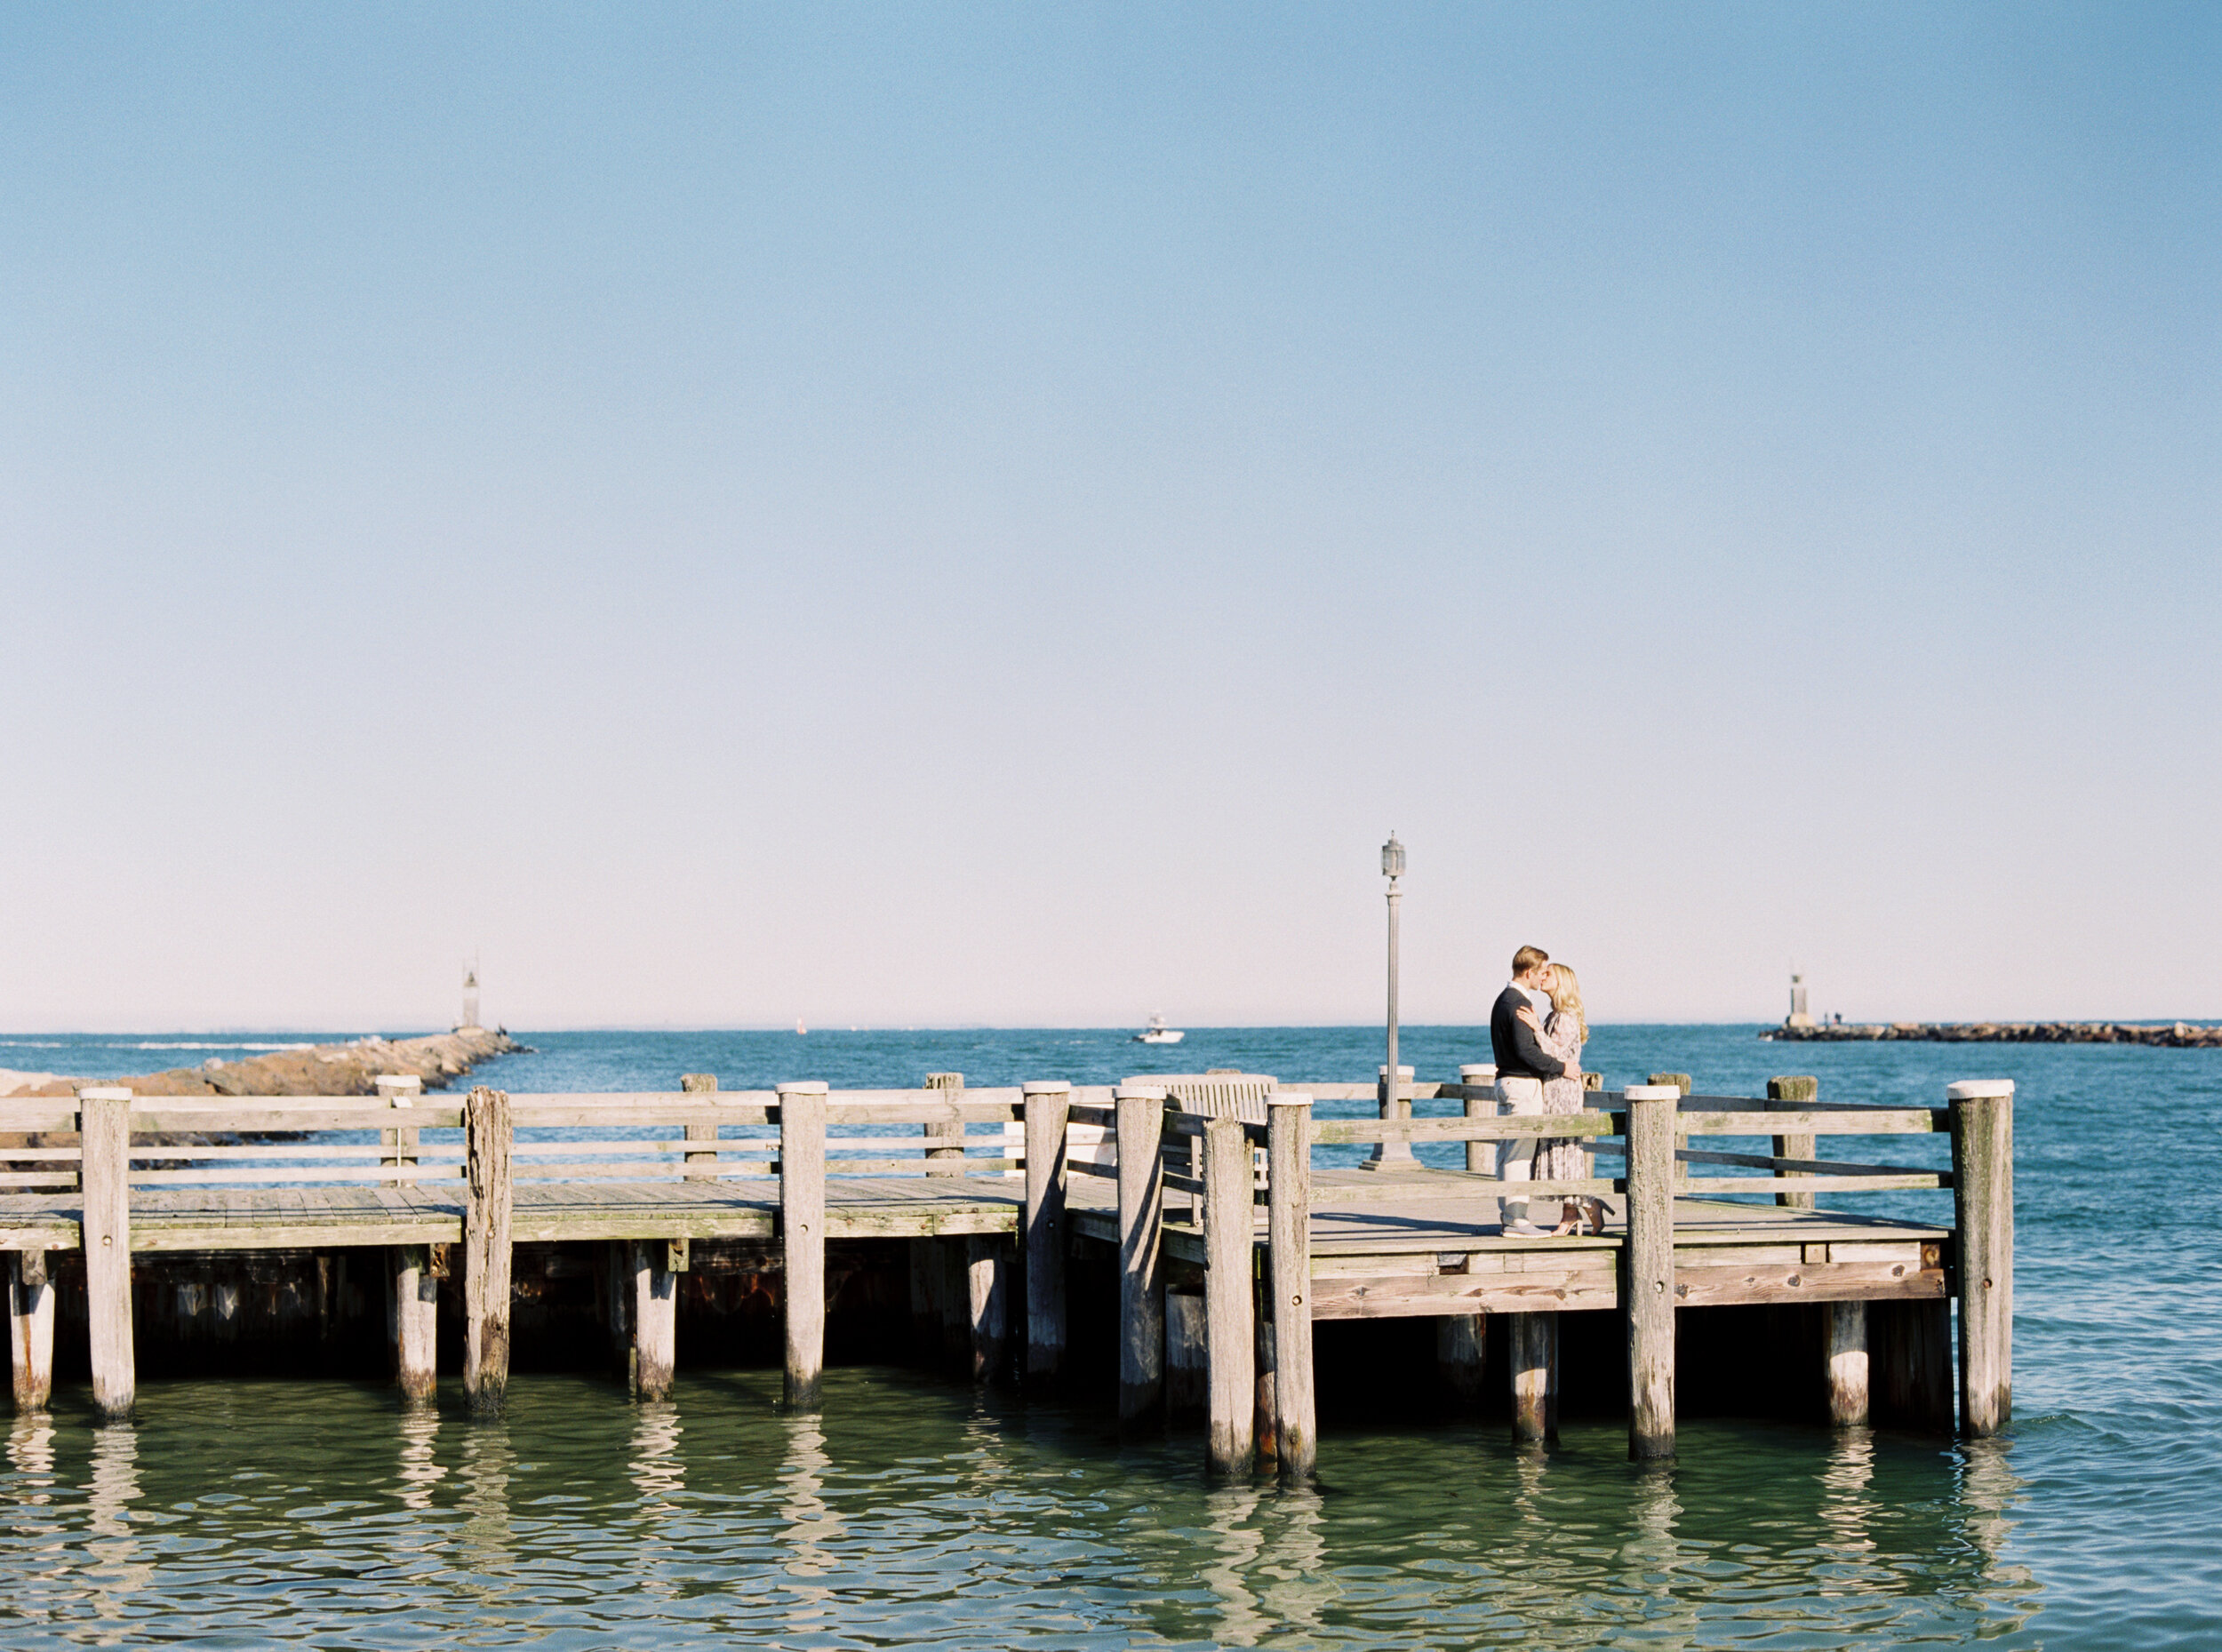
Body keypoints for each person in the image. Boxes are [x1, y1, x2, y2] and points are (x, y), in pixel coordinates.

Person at [1488, 946, 1573, 1237]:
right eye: (1542, 972)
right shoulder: (1518, 1003)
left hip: (1504, 1082)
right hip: (1521, 1085)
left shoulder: (1503, 1000)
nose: (1543, 977)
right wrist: (1562, 1068)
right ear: (1529, 972)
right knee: (1518, 1155)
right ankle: (1517, 1220)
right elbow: (1527, 1052)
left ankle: (1509, 1216)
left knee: (1506, 1152)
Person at [1520, 963, 1606, 1236]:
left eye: (1548, 974)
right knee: (1556, 1150)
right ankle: (1579, 1209)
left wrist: (1535, 1028)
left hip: (1564, 1092)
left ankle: (1582, 1207)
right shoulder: (1553, 1015)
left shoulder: (1565, 1017)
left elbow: (1555, 1053)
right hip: (1552, 1089)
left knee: (1565, 1149)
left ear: (1562, 982)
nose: (1542, 976)